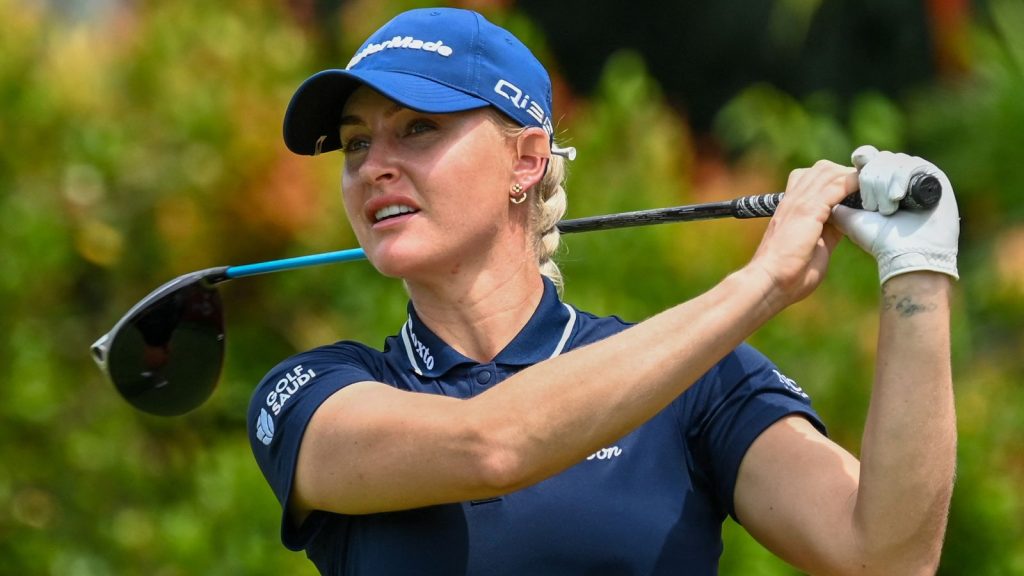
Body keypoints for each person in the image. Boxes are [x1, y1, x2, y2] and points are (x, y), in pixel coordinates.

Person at [247, 7, 959, 575]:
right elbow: (493, 447)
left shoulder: (697, 380)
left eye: (418, 129)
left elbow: (886, 556)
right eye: (355, 144)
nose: (375, 166)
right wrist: (761, 283)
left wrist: (918, 278)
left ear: (525, 161)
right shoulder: (316, 391)